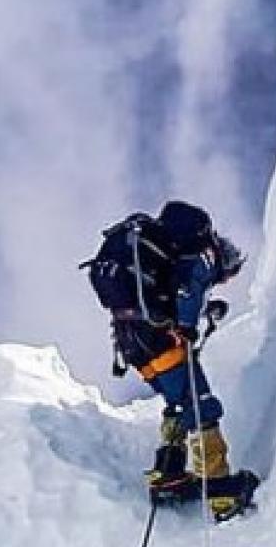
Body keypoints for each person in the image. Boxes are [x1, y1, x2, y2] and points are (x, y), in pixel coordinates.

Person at [84, 200, 252, 520]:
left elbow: (174, 293)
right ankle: (219, 491)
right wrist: (188, 327)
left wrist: (203, 313)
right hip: (156, 336)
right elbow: (189, 292)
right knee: (198, 403)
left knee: (176, 400)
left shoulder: (161, 254)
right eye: (225, 278)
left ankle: (169, 472)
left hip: (131, 342)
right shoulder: (206, 255)